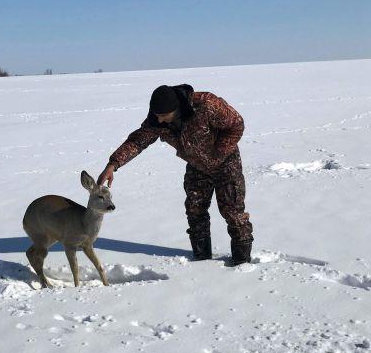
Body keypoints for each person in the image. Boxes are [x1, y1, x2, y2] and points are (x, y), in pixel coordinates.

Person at [97, 84, 254, 265]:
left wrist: (218, 154)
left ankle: (242, 264)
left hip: (226, 163)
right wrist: (113, 164)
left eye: (164, 116)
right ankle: (202, 261)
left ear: (176, 109)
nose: (161, 120)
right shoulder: (156, 120)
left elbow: (236, 125)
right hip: (197, 166)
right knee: (195, 210)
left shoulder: (206, 105)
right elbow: (137, 141)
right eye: (157, 116)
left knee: (232, 212)